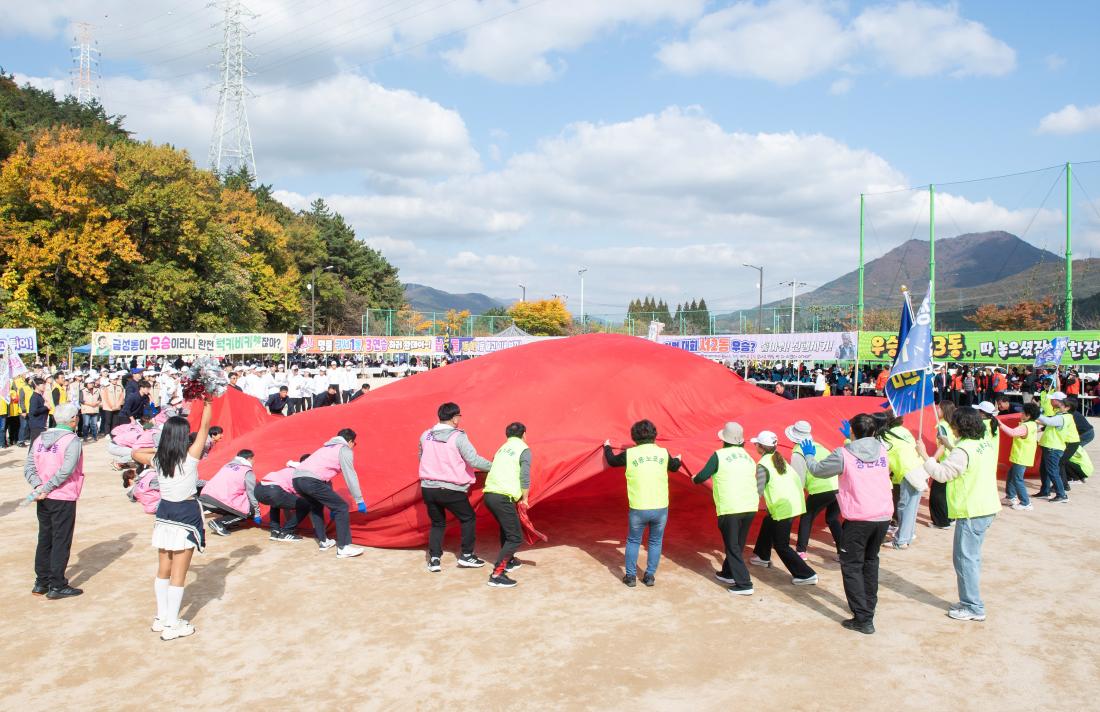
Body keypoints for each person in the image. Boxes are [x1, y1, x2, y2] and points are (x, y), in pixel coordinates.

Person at [802, 413, 894, 634]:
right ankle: (868, 609)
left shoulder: (843, 454)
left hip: (859, 519)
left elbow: (817, 470)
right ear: (873, 432)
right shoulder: (882, 449)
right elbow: (864, 452)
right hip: (882, 517)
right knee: (870, 562)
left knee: (852, 566)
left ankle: (862, 619)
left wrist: (808, 456)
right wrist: (852, 439)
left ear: (853, 432)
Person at [132, 398, 213, 641]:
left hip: (164, 514)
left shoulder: (157, 460)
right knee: (179, 573)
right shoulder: (190, 459)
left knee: (163, 569)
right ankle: (172, 623)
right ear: (183, 437)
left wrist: (159, 449)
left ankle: (161, 617)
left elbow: (135, 453)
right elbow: (206, 426)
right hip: (185, 514)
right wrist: (208, 401)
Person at [917, 407, 1000, 622]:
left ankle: (973, 606)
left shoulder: (962, 451)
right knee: (970, 557)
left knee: (965, 559)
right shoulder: (984, 442)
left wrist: (925, 456)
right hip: (986, 506)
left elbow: (942, 474)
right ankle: (969, 601)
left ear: (958, 426)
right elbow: (966, 461)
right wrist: (950, 445)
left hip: (972, 510)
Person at [603, 419, 682, 587]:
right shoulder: (663, 453)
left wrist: (607, 446)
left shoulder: (630, 454)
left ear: (634, 437)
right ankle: (650, 576)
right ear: (654, 435)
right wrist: (678, 459)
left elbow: (611, 461)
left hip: (639, 507)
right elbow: (675, 466)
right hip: (660, 507)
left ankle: (631, 577)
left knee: (633, 541)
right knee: (655, 541)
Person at [418, 403, 493, 572]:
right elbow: (474, 460)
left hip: (428, 488)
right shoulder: (458, 437)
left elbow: (421, 457)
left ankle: (435, 559)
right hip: (451, 488)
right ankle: (467, 555)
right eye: (459, 416)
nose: (459, 419)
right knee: (468, 518)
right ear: (453, 418)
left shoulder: (425, 435)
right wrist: (495, 466)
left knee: (437, 523)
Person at [24, 403, 85, 600]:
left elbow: (29, 467)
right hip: (62, 495)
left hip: (43, 496)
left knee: (45, 537)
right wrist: (45, 487)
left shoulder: (40, 438)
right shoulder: (72, 440)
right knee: (60, 539)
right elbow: (66, 471)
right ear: (73, 419)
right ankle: (57, 584)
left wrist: (38, 487)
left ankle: (41, 581)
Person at [691, 422, 759, 596]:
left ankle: (744, 584)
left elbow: (702, 476)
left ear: (724, 440)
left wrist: (694, 478)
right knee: (738, 543)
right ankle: (728, 573)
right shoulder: (748, 456)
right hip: (750, 505)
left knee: (732, 546)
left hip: (730, 506)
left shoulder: (719, 455)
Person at [748, 431, 818, 585]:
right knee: (768, 522)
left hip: (782, 508)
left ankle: (806, 574)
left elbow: (758, 490)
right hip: (793, 503)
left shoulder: (762, 465)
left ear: (760, 447)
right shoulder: (779, 458)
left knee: (781, 545)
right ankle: (762, 555)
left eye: (756, 444)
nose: (754, 446)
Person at [293, 429, 367, 558]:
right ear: (350, 441)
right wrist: (359, 499)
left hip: (296, 480)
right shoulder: (344, 449)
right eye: (354, 444)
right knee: (342, 507)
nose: (353, 446)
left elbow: (324, 480)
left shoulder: (325, 448)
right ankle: (344, 547)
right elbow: (350, 475)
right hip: (311, 481)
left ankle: (323, 542)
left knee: (316, 507)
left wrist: (331, 503)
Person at [482, 422, 532, 588]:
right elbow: (525, 476)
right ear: (524, 434)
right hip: (503, 497)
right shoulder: (523, 449)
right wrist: (525, 498)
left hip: (490, 495)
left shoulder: (501, 449)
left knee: (507, 529)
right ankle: (497, 574)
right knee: (515, 537)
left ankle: (509, 561)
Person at [786, 420, 841, 560]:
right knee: (832, 518)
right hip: (837, 487)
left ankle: (801, 550)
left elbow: (799, 479)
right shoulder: (821, 446)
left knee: (807, 517)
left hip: (820, 489)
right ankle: (843, 550)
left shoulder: (798, 452)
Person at [883, 415, 925, 549]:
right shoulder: (904, 431)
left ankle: (900, 540)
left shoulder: (887, 435)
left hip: (908, 472)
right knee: (911, 506)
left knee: (905, 506)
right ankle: (907, 535)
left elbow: (885, 456)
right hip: (919, 468)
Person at [199, 449, 260, 537]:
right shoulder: (247, 471)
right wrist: (257, 512)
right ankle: (219, 523)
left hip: (205, 496)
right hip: (219, 500)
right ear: (249, 459)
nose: (254, 461)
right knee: (248, 510)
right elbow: (252, 493)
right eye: (253, 459)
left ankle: (229, 522)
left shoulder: (227, 465)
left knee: (236, 505)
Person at [255, 455, 312, 542]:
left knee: (275, 503)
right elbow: (300, 494)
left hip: (258, 490)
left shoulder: (290, 468)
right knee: (306, 505)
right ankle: (286, 532)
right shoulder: (301, 473)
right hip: (274, 490)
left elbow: (286, 501)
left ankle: (275, 531)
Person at [998, 402, 1039, 511]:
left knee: (1017, 479)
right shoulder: (1032, 424)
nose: (1021, 414)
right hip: (1021, 455)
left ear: (1028, 415)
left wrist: (999, 424)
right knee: (1011, 476)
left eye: (1023, 413)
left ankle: (1025, 502)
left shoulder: (1026, 426)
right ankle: (1010, 497)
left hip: (1021, 456)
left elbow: (1012, 432)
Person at [1034, 390, 1070, 503]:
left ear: (1059, 402)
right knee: (1044, 470)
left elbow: (1048, 421)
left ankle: (1061, 494)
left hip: (1053, 447)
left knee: (1053, 471)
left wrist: (1036, 413)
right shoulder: (1059, 414)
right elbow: (1047, 424)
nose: (1050, 401)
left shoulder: (1062, 417)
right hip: (1049, 445)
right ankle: (1045, 491)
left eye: (1052, 399)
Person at [928, 402, 956, 529]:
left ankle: (941, 522)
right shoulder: (952, 425)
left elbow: (943, 446)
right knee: (947, 492)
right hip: (954, 460)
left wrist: (932, 461)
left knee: (937, 494)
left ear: (944, 410)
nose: (937, 410)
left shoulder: (942, 426)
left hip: (945, 462)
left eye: (939, 408)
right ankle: (950, 518)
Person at [1062, 396, 1094, 483]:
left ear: (1068, 407)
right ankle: (1073, 474)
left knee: (1069, 455)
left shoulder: (1069, 415)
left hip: (1085, 434)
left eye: (1062, 404)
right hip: (1085, 433)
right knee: (1070, 454)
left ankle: (1079, 475)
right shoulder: (1070, 413)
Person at [26, 377, 51, 446]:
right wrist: (45, 407)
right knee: (34, 445)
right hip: (36, 424)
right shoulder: (34, 397)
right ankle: (31, 457)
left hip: (41, 423)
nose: (44, 386)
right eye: (42, 384)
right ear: (36, 386)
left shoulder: (40, 396)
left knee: (39, 445)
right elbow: (34, 411)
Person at [78, 377, 101, 442]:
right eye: (90, 383)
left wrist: (96, 403)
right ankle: (85, 437)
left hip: (95, 409)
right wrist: (91, 404)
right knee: (86, 424)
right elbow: (81, 400)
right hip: (86, 410)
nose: (91, 384)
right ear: (86, 384)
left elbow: (100, 399)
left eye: (92, 383)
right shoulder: (82, 390)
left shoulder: (97, 390)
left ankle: (95, 436)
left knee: (94, 424)